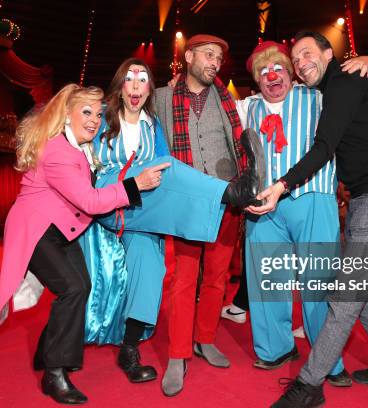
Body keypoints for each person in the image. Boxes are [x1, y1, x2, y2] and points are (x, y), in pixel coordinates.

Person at [249, 31, 368, 408]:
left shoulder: (344, 83)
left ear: (330, 53)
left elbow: (325, 146)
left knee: (344, 293)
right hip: (367, 199)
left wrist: (281, 185)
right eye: (295, 59)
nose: (300, 63)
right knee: (364, 289)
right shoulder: (336, 86)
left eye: (307, 53)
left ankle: (309, 384)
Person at [77, 57, 261, 386]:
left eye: (142, 80)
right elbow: (74, 148)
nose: (135, 85)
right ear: (120, 86)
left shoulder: (151, 123)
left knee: (151, 266)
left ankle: (129, 349)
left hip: (138, 211)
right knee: (167, 165)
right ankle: (231, 193)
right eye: (130, 79)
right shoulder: (100, 118)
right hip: (108, 197)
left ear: (150, 89)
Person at [0, 84, 166, 404]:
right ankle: (54, 374)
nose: (95, 119)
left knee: (80, 287)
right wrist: (135, 185)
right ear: (66, 115)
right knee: (73, 288)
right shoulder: (58, 151)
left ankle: (47, 352)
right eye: (86, 112)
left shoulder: (80, 147)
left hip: (62, 229)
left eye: (98, 113)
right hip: (37, 229)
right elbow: (88, 200)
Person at [236, 40, 358, 385]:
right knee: (267, 281)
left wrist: (364, 60)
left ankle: (327, 360)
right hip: (263, 205)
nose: (271, 76)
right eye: (263, 72)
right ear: (257, 80)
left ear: (290, 74)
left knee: (318, 282)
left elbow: (347, 86)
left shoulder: (317, 98)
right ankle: (275, 348)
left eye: (278, 69)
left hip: (312, 197)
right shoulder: (248, 107)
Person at [153, 34, 252, 396]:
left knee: (217, 278)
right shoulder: (161, 98)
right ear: (189, 55)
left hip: (226, 199)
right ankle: (178, 354)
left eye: (219, 58)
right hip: (185, 202)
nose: (215, 62)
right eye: (208, 55)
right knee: (183, 278)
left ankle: (205, 338)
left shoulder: (230, 101)